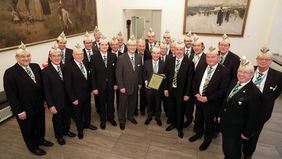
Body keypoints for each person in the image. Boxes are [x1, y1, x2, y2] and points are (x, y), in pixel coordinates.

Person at [4, 42, 53, 156]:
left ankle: (41, 140)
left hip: (38, 104)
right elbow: (11, 95)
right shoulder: (10, 73)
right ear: (17, 58)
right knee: (28, 129)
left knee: (40, 125)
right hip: (24, 108)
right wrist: (19, 111)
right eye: (23, 57)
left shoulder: (35, 66)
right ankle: (32, 147)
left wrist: (45, 100)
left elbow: (41, 86)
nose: (26, 59)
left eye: (28, 56)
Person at [219, 56, 262, 159]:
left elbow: (253, 116)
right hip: (226, 124)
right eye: (240, 71)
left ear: (251, 74)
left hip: (237, 130)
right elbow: (226, 100)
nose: (241, 74)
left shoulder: (255, 93)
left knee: (233, 152)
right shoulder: (233, 82)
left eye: (245, 72)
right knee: (226, 149)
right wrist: (220, 115)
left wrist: (246, 133)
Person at [242, 47, 282, 159]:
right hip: (243, 110)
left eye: (266, 59)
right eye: (260, 58)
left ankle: (247, 154)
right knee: (240, 132)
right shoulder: (249, 70)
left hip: (260, 114)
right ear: (256, 59)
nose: (263, 61)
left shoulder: (278, 76)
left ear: (271, 60)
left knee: (253, 136)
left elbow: (275, 94)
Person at [189, 46, 230, 151]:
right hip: (199, 99)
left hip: (212, 103)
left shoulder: (224, 71)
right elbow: (194, 81)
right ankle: (199, 133)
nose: (210, 59)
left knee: (209, 122)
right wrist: (196, 94)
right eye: (208, 57)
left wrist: (208, 98)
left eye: (213, 57)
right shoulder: (202, 66)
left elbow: (223, 90)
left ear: (218, 57)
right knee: (198, 118)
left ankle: (207, 139)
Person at [42, 42, 76, 145]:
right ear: (50, 57)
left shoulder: (65, 67)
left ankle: (66, 130)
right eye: (54, 56)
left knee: (67, 117)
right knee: (57, 119)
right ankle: (59, 136)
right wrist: (50, 105)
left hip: (67, 99)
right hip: (55, 101)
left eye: (59, 56)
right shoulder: (45, 72)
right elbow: (46, 90)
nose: (57, 58)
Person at [64, 43, 97, 139]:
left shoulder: (86, 62)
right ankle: (80, 129)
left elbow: (89, 77)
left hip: (86, 94)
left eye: (81, 54)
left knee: (87, 110)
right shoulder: (68, 67)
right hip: (76, 96)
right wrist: (72, 98)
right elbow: (68, 85)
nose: (79, 56)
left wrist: (91, 89)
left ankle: (87, 124)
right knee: (78, 113)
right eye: (77, 54)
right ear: (73, 55)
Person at [164, 40, 194, 138]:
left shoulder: (189, 63)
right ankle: (172, 123)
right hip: (171, 89)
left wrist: (187, 94)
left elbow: (190, 80)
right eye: (177, 49)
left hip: (181, 92)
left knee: (180, 110)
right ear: (174, 50)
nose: (179, 51)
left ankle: (180, 128)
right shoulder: (169, 60)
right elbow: (166, 76)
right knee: (171, 108)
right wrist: (166, 89)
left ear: (184, 50)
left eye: (181, 49)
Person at [90, 36, 118, 129]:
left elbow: (115, 72)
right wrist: (94, 88)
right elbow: (92, 74)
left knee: (110, 102)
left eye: (106, 44)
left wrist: (116, 84)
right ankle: (103, 120)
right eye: (102, 45)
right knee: (101, 104)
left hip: (111, 85)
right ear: (99, 46)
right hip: (99, 86)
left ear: (108, 46)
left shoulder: (113, 56)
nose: (104, 46)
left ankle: (111, 118)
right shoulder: (94, 57)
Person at [116, 35, 142, 130]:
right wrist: (121, 86)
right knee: (122, 104)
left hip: (135, 86)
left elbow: (139, 72)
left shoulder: (139, 57)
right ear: (127, 46)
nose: (132, 47)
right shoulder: (121, 58)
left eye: (134, 45)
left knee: (133, 103)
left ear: (136, 46)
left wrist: (139, 83)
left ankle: (130, 117)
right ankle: (122, 120)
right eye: (130, 45)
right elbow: (118, 74)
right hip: (124, 87)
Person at [143, 44, 166, 126]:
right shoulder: (146, 63)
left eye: (158, 53)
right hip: (149, 87)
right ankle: (149, 117)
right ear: (151, 53)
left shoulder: (163, 64)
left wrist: (164, 76)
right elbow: (144, 74)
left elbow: (165, 75)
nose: (156, 55)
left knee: (158, 103)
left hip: (159, 88)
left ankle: (158, 117)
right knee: (149, 103)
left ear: (160, 54)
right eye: (154, 53)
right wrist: (145, 81)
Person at [135, 37, 147, 116]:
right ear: (137, 46)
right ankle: (134, 109)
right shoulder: (133, 53)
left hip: (144, 77)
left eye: (143, 46)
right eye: (140, 46)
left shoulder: (149, 54)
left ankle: (142, 109)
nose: (142, 47)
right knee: (134, 94)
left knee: (143, 93)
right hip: (135, 77)